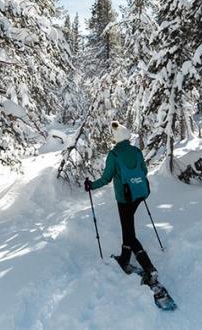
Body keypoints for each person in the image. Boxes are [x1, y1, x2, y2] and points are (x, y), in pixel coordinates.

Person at [84, 121, 158, 285]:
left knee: (130, 235)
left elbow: (106, 179)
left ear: (116, 138)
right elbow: (144, 171)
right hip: (140, 194)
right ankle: (125, 258)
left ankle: (149, 269)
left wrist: (91, 185)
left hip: (124, 198)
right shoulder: (137, 151)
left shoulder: (114, 154)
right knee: (128, 228)